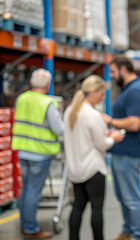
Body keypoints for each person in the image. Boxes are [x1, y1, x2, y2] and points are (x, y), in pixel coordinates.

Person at [63, 75, 124, 240]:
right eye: (101, 94)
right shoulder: (93, 115)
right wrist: (114, 137)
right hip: (93, 169)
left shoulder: (70, 111)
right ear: (93, 92)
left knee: (77, 207)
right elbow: (102, 144)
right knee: (97, 209)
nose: (103, 98)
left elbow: (81, 136)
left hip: (75, 169)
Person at [102, 56, 140, 240]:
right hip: (121, 152)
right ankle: (127, 230)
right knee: (123, 196)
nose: (112, 76)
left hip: (129, 153)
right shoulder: (129, 90)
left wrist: (109, 121)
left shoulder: (136, 91)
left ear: (123, 70)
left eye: (114, 71)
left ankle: (138, 235)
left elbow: (134, 123)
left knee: (131, 198)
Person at [11, 69, 64, 239]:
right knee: (34, 192)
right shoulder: (47, 103)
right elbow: (59, 129)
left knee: (26, 190)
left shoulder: (22, 98)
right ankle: (31, 228)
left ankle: (25, 224)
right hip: (40, 154)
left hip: (23, 151)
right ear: (48, 85)